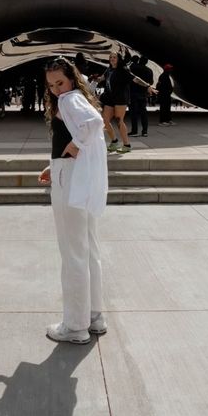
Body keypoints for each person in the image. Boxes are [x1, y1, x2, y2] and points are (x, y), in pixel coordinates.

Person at [38, 57, 108, 344]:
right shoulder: (77, 97)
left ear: (71, 79)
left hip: (71, 181)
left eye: (60, 82)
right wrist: (55, 163)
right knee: (88, 248)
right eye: (51, 84)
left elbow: (93, 124)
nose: (56, 89)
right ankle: (93, 316)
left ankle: (75, 325)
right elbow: (89, 129)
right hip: (78, 178)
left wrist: (73, 147)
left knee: (73, 251)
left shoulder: (68, 100)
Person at [100, 52, 150, 153]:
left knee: (119, 121)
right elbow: (102, 78)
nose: (112, 59)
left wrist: (147, 85)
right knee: (105, 120)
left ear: (119, 59)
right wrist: (93, 78)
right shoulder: (109, 70)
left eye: (114, 57)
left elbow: (135, 79)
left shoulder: (123, 70)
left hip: (120, 98)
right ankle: (114, 141)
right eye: (110, 57)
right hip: (109, 97)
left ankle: (127, 145)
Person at [129, 55, 154, 137]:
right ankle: (144, 131)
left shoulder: (133, 67)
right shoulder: (149, 70)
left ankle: (134, 130)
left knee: (134, 113)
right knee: (143, 113)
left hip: (133, 93)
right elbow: (151, 82)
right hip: (143, 94)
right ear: (146, 62)